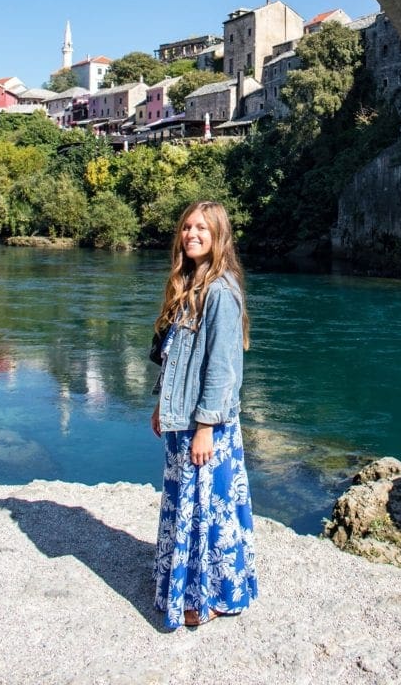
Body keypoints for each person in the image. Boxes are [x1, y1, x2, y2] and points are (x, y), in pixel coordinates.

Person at [151, 200, 257, 629]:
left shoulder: (220, 291)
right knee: (188, 508)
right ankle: (184, 589)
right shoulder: (190, 284)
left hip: (206, 425)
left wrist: (206, 428)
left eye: (202, 229)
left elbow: (221, 368)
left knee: (209, 513)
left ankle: (215, 596)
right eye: (187, 227)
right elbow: (175, 357)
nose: (191, 234)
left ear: (218, 237)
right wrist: (162, 405)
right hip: (185, 419)